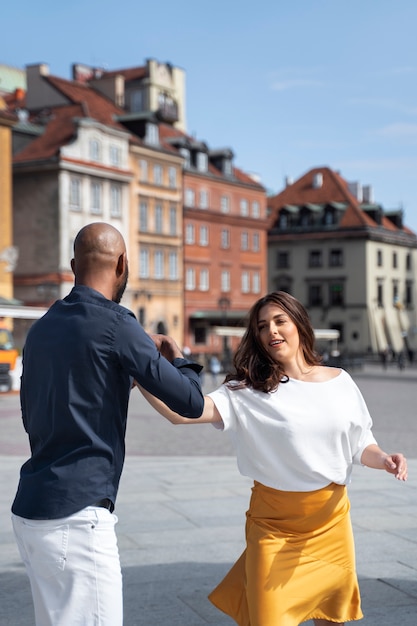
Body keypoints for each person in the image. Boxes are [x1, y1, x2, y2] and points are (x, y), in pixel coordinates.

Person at [139, 291, 407, 626]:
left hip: (331, 525)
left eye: (280, 321)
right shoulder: (247, 390)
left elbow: (360, 442)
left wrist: (383, 459)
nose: (272, 331)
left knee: (331, 619)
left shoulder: (341, 381)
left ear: (299, 325)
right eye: (263, 326)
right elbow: (182, 414)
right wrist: (141, 370)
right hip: (273, 529)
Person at [11, 222, 204, 626]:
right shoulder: (118, 324)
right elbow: (190, 401)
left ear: (72, 266)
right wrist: (177, 354)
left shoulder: (41, 328)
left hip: (31, 512)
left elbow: (32, 416)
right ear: (122, 265)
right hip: (78, 518)